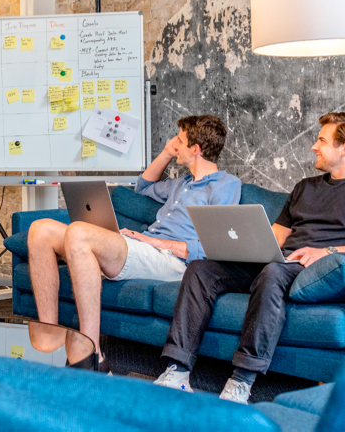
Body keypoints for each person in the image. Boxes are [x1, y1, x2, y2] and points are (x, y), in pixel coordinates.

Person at [155, 112, 345, 403]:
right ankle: (177, 371)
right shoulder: (305, 187)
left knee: (273, 272)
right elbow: (274, 237)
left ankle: (241, 381)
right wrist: (240, 247)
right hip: (282, 262)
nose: (314, 146)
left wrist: (327, 251)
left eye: (322, 140)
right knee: (201, 269)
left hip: (321, 268)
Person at [27, 114, 241, 370]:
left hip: (173, 262)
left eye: (179, 141)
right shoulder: (181, 184)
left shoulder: (225, 186)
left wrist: (157, 242)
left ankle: (93, 354)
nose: (174, 143)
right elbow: (143, 186)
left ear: (195, 149)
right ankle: (50, 331)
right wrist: (165, 153)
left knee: (79, 233)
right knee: (40, 230)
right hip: (146, 250)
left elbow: (214, 246)